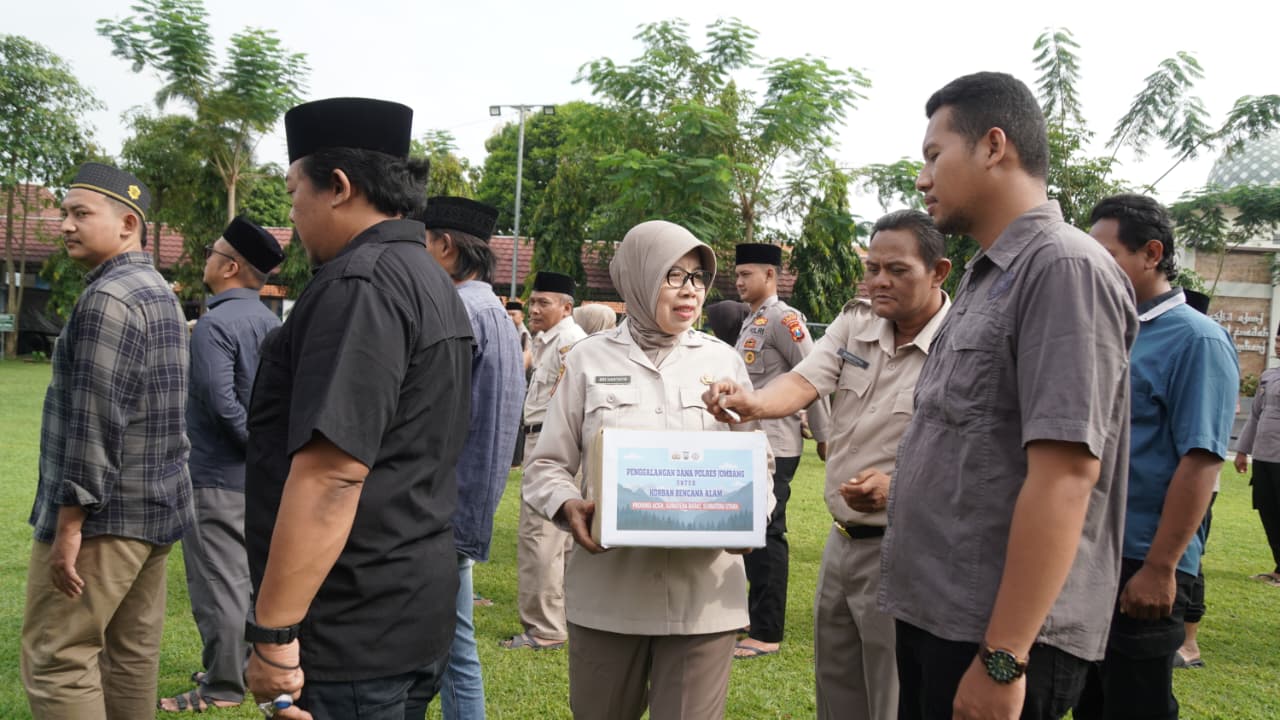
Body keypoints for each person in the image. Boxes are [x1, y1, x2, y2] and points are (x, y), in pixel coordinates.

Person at [882, 72, 1138, 720]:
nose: (922, 178)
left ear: (994, 146)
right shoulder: (989, 273)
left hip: (995, 636)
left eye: (934, 155)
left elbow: (1067, 477)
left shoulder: (1063, 268)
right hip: (940, 613)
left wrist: (1005, 655)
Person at [242, 97, 474, 720]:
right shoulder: (426, 276)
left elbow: (331, 475)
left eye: (294, 193)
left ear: (339, 187)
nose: (292, 215)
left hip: (351, 621)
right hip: (407, 608)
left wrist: (274, 634)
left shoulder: (360, 284)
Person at [708, 208, 950, 719]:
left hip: (906, 548)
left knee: (890, 695)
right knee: (836, 689)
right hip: (841, 541)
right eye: (872, 268)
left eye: (897, 270)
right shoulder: (857, 322)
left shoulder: (962, 345)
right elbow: (805, 379)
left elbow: (973, 457)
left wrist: (898, 488)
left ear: (939, 272)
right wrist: (752, 402)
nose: (879, 281)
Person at [524, 219, 768, 719]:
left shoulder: (723, 361)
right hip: (609, 593)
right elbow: (546, 463)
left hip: (703, 598)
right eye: (672, 276)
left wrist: (752, 517)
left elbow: (756, 459)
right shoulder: (588, 359)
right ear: (637, 278)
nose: (690, 290)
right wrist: (567, 504)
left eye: (698, 277)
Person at [21, 163, 194, 719]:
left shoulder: (109, 299)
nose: (65, 225)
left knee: (59, 658)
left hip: (103, 518)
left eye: (80, 213)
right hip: (154, 510)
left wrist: (69, 525)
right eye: (64, 213)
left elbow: (95, 422)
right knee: (130, 656)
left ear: (127, 224)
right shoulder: (158, 291)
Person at [1072, 194, 1237, 720]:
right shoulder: (1107, 331)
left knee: (1136, 703)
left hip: (1143, 559)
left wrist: (1161, 567)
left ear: (1152, 253)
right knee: (1088, 701)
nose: (1095, 270)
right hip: (1088, 552)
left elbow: (1201, 461)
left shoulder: (1197, 339)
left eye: (1107, 256)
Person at [160, 216, 284, 713]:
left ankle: (223, 686)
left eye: (212, 253)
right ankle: (240, 667)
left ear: (230, 266)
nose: (206, 260)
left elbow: (221, 403)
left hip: (215, 475)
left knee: (217, 584)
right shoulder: (271, 323)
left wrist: (250, 446)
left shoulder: (214, 325)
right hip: (257, 478)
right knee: (247, 580)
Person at [416, 196, 525, 720]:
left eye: (420, 243)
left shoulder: (458, 311)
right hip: (464, 499)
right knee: (452, 643)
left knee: (451, 647)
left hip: (440, 504)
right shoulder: (494, 312)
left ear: (444, 246)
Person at [731, 242, 831, 658]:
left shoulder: (784, 320)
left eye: (746, 274)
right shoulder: (752, 320)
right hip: (751, 440)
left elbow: (815, 377)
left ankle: (767, 632)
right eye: (737, 274)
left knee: (768, 532)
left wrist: (825, 435)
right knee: (749, 530)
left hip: (777, 442)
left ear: (770, 275)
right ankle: (752, 616)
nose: (739, 282)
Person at [503, 271, 586, 651]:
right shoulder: (549, 339)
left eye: (543, 303)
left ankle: (544, 629)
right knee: (558, 539)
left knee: (540, 535)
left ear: (566, 308)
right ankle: (560, 618)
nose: (534, 309)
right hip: (547, 439)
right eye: (533, 302)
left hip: (551, 442)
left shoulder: (569, 343)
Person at [1234, 332, 1280, 588]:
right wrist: (1242, 451)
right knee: (1267, 509)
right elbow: (1254, 416)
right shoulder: (1268, 376)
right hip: (1264, 456)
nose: (1278, 345)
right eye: (1277, 340)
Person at [507, 299, 534, 371]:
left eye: (513, 314)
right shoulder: (507, 330)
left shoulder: (524, 335)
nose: (510, 318)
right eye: (508, 315)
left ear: (522, 316)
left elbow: (526, 360)